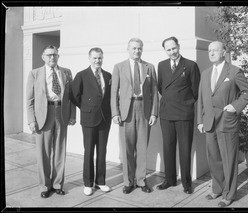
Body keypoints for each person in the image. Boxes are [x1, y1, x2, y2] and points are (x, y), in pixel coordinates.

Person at [197, 41, 248, 207]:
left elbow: (247, 93)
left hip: (227, 121)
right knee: (213, 158)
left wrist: (234, 107)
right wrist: (200, 120)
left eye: (215, 50)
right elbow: (201, 98)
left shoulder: (234, 71)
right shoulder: (205, 73)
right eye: (209, 51)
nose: (211, 53)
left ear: (224, 52)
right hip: (209, 122)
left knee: (228, 159)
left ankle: (229, 194)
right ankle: (217, 189)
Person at [26, 45, 76, 198]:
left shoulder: (66, 72)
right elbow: (29, 100)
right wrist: (31, 120)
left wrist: (72, 115)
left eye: (54, 55)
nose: (52, 58)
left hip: (61, 111)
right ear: (43, 57)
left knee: (60, 149)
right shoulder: (35, 73)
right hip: (43, 114)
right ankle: (45, 186)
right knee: (44, 151)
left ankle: (57, 184)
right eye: (48, 55)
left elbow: (71, 97)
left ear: (58, 56)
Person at [111, 38, 159, 194]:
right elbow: (114, 93)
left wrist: (153, 113)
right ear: (128, 49)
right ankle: (128, 181)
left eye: (139, 48)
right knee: (127, 148)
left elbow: (154, 93)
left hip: (144, 109)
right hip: (127, 110)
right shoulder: (119, 67)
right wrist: (115, 113)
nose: (137, 51)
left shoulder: (149, 67)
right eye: (134, 48)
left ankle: (141, 180)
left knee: (142, 147)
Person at [156, 36, 200, 194]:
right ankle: (169, 179)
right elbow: (161, 87)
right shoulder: (161, 65)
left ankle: (187, 183)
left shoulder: (190, 65)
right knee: (167, 148)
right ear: (165, 51)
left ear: (179, 46)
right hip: (166, 113)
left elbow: (196, 91)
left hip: (184, 113)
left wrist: (184, 103)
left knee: (185, 149)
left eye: (174, 48)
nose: (172, 52)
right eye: (168, 49)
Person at [70, 47, 112, 196]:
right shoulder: (81, 75)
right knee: (89, 151)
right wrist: (86, 107)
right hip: (88, 119)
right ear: (89, 59)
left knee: (102, 151)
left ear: (103, 58)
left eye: (100, 58)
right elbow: (74, 95)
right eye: (94, 58)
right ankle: (88, 183)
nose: (97, 60)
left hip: (104, 119)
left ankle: (100, 181)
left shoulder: (108, 76)